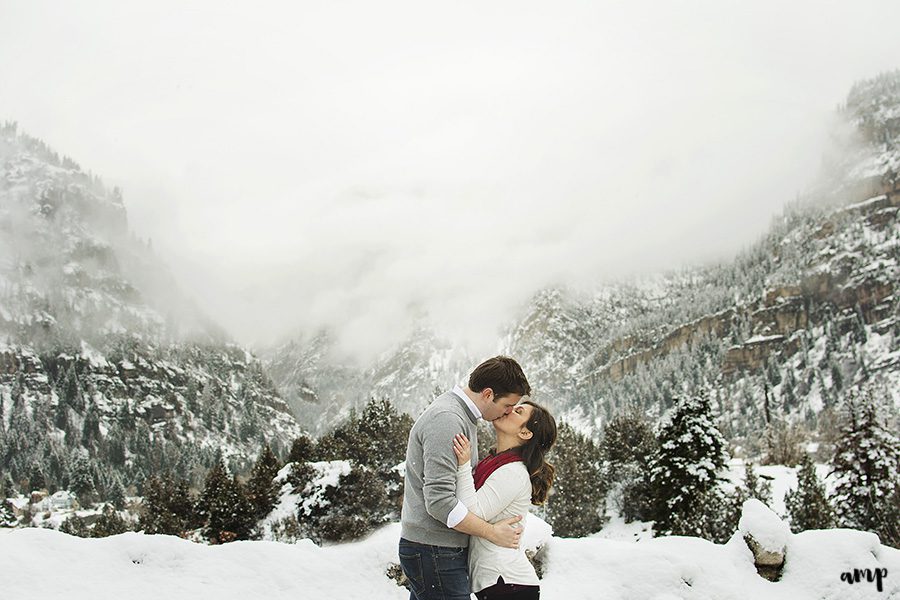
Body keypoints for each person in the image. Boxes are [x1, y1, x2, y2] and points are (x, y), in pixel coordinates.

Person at [399, 356, 532, 600]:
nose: (508, 412)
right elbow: (439, 502)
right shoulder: (448, 419)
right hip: (434, 549)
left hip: (436, 549)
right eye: (507, 405)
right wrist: (491, 532)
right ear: (489, 394)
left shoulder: (460, 416)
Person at [452, 400, 557, 600]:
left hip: (507, 583)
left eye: (517, 411)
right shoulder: (497, 464)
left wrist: (463, 466)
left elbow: (471, 512)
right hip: (501, 583)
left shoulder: (513, 472)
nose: (509, 410)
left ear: (525, 433)